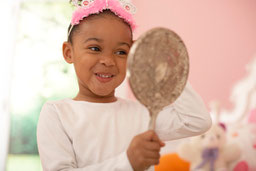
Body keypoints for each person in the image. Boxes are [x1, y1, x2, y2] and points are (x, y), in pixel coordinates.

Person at [37, 0, 212, 170]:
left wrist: (167, 71)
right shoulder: (57, 114)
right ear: (69, 53)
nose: (108, 61)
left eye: (121, 52)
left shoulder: (143, 114)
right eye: (95, 48)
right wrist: (128, 163)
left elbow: (197, 121)